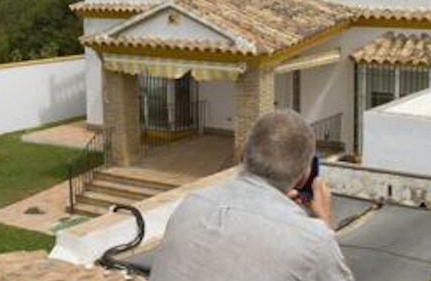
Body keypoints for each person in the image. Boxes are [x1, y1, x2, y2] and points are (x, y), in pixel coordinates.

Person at [150, 111, 354, 281]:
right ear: (304, 176)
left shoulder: (192, 204)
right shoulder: (314, 240)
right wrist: (324, 227)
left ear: (242, 155)